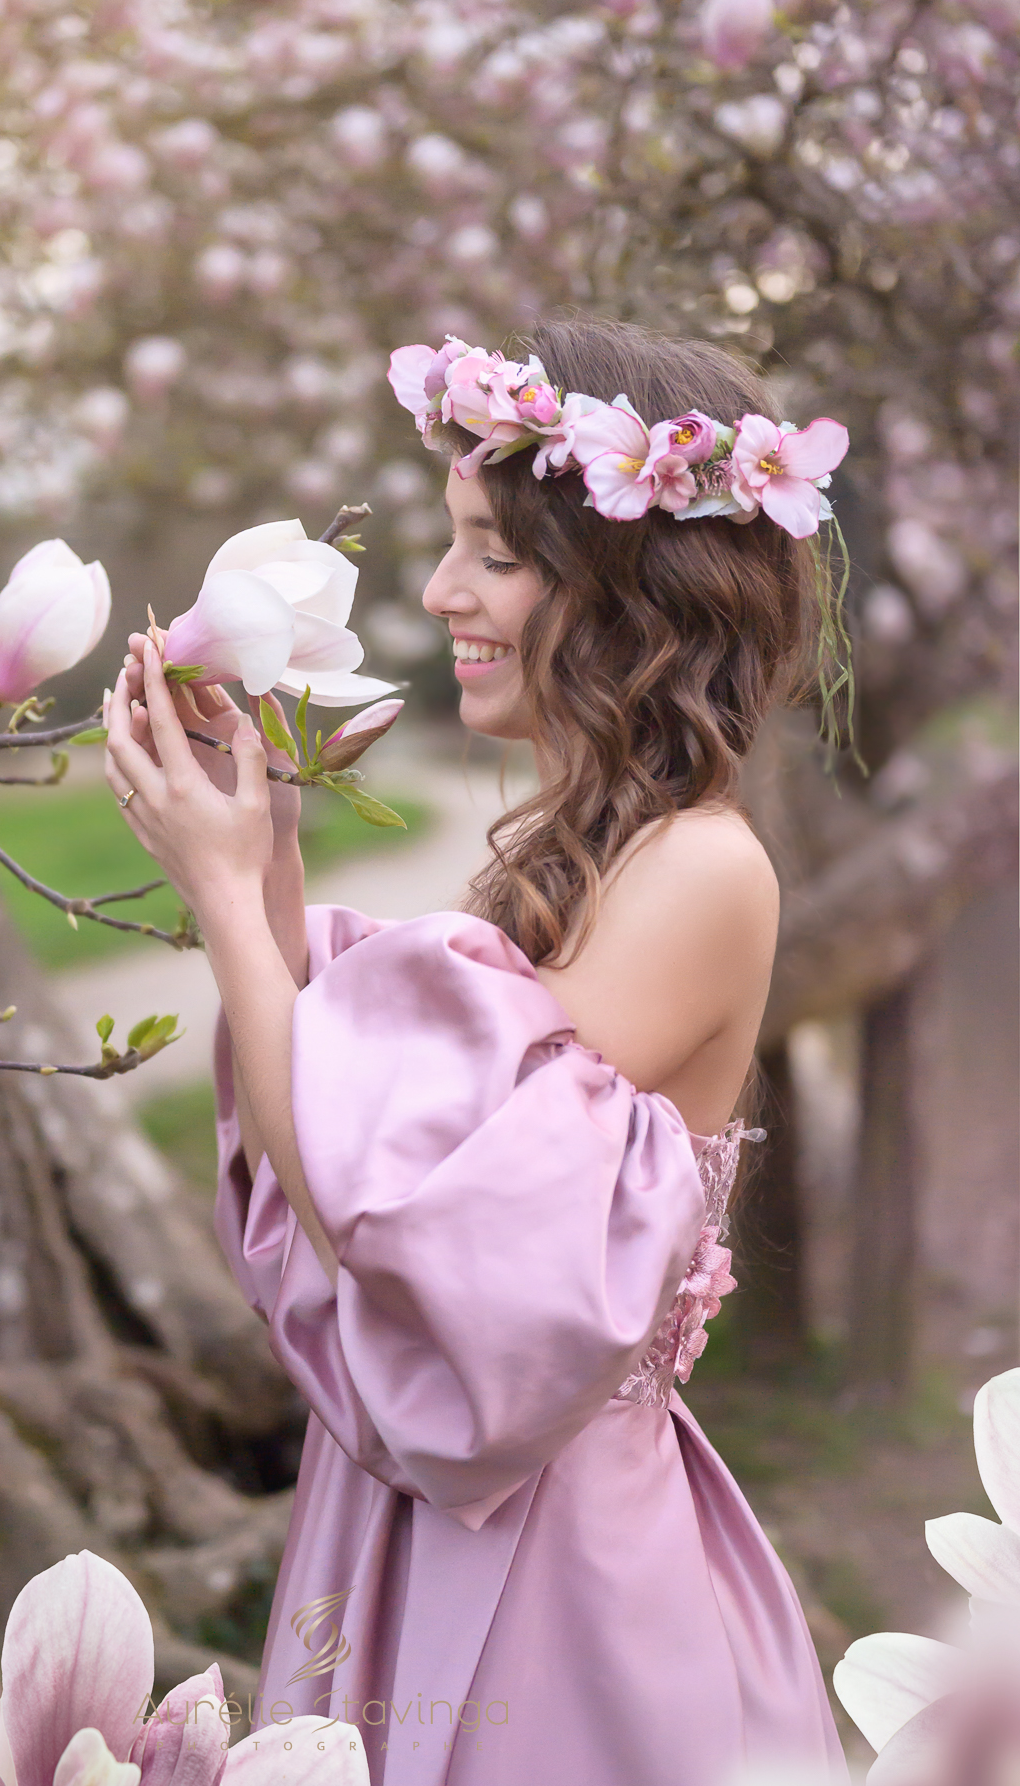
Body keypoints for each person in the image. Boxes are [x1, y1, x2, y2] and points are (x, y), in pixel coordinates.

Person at [105, 315, 850, 1786]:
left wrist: (226, 909)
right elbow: (367, 1144)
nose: (442, 591)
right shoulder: (586, 862)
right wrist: (263, 868)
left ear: (634, 588)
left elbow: (394, 1227)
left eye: (493, 555)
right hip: (427, 1515)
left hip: (549, 1569)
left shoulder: (701, 872)